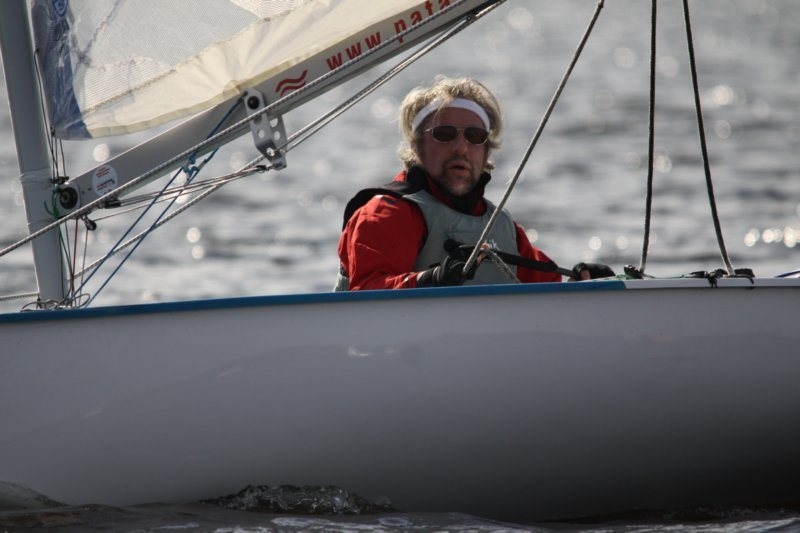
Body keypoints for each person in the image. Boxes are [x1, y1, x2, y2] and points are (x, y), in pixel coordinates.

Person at [335, 76, 612, 291]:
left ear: (486, 151)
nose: (461, 148)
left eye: (474, 136)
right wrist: (432, 279)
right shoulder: (386, 213)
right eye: (445, 134)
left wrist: (586, 282)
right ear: (417, 147)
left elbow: (548, 292)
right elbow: (367, 293)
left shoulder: (501, 226)